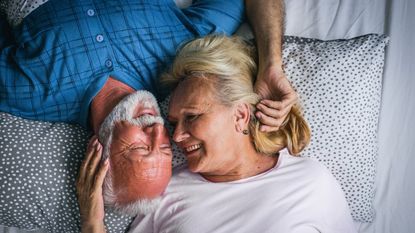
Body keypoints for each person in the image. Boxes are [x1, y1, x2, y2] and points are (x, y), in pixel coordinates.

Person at [1, 0, 297, 219]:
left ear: (100, 150)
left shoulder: (28, 92)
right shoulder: (184, 57)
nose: (158, 131)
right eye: (166, 149)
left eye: (141, 149)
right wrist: (272, 64)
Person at [77, 35, 357, 232]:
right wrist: (92, 222)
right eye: (174, 123)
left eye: (193, 116)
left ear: (240, 115)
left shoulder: (311, 183)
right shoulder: (167, 192)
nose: (175, 137)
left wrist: (272, 65)